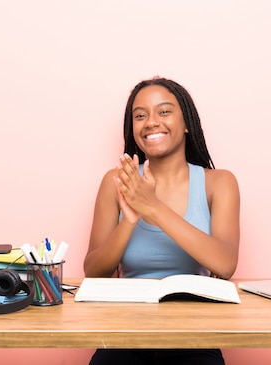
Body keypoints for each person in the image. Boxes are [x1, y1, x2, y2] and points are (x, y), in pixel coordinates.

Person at [84, 77, 240, 365]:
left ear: (186, 123)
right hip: (124, 335)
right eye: (140, 115)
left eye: (164, 111)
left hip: (195, 336)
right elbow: (93, 273)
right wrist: (129, 221)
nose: (151, 122)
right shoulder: (115, 182)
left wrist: (152, 207)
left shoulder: (219, 183)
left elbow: (225, 264)